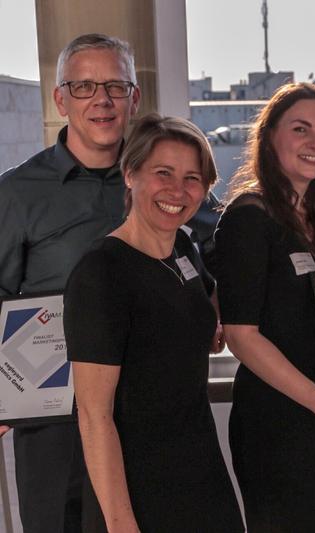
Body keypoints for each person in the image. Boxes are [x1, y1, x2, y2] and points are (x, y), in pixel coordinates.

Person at [64, 114, 243, 532]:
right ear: (130, 173)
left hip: (201, 469)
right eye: (163, 173)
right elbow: (94, 415)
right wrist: (121, 522)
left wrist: (206, 329)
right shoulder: (102, 272)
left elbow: (193, 310)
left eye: (192, 178)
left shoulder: (182, 246)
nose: (178, 191)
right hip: (137, 487)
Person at [214, 82, 315, 533]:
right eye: (301, 129)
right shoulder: (249, 217)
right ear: (270, 138)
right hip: (278, 421)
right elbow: (242, 337)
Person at [0, 33, 139, 532]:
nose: (101, 100)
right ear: (60, 99)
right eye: (83, 87)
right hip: (55, 420)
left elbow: (216, 256)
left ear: (134, 98)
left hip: (149, 412)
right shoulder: (17, 193)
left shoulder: (162, 180)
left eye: (115, 87)